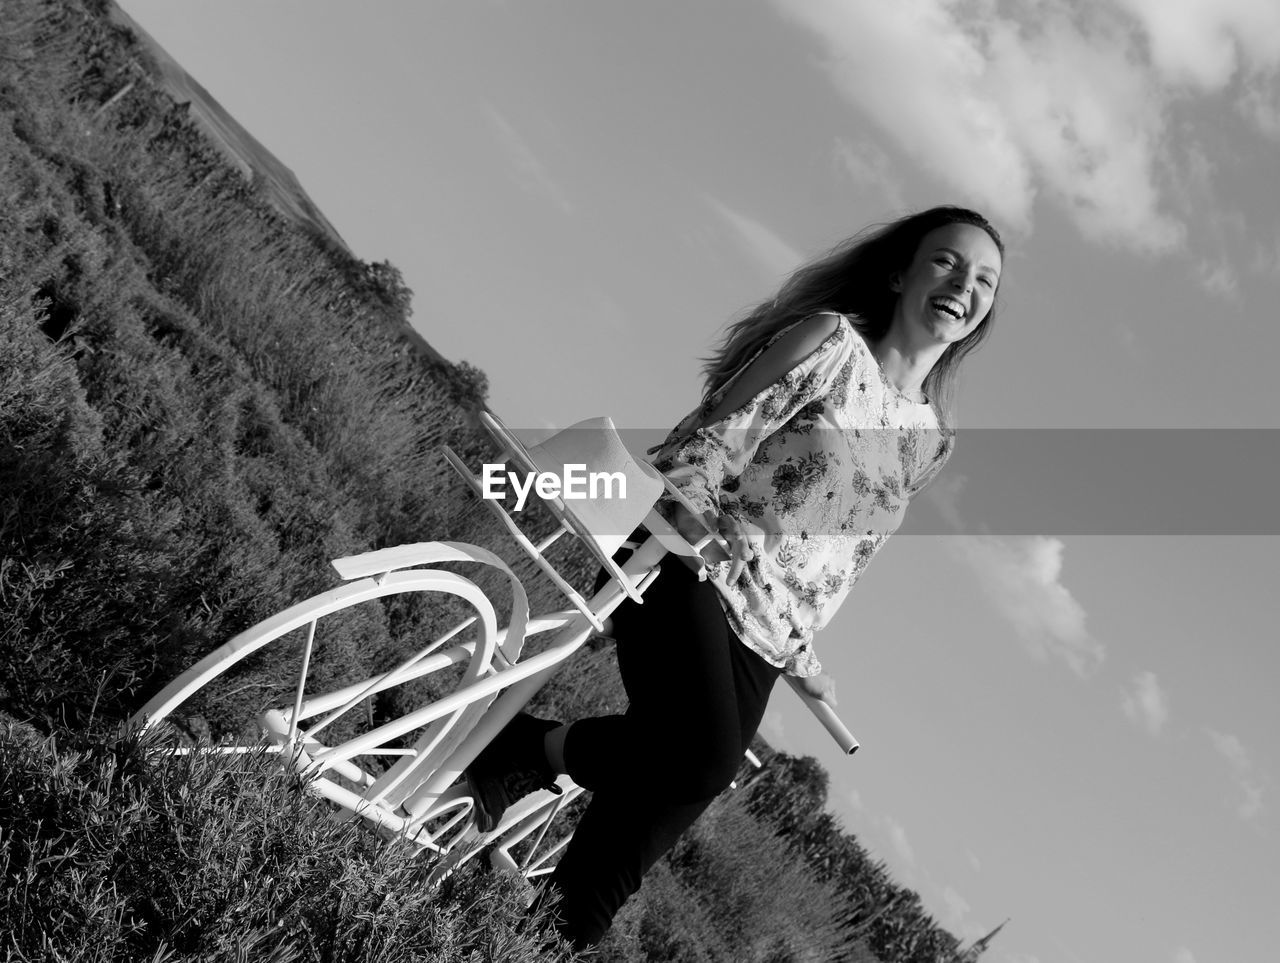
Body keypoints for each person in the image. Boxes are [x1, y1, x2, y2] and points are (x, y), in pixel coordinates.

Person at [465, 205, 1004, 949]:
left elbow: (835, 554)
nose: (963, 284)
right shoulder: (829, 344)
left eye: (984, 280)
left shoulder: (928, 441)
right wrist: (694, 524)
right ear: (900, 272)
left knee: (610, 869)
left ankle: (514, 943)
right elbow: (711, 438)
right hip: (682, 558)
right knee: (701, 760)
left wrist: (805, 654)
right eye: (946, 260)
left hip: (766, 634)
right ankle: (530, 746)